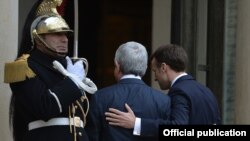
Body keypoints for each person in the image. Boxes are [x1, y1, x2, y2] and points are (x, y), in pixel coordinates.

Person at [4, 1, 97, 141]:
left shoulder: (69, 67)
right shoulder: (24, 67)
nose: (65, 40)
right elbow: (45, 108)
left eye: (66, 34)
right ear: (39, 39)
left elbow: (85, 118)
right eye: (57, 34)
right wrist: (73, 81)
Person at [105, 44, 221, 137]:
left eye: (155, 71)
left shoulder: (179, 91)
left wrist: (136, 123)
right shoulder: (206, 91)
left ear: (164, 67)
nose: (155, 78)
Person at [85, 41, 171, 141]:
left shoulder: (100, 97)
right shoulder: (163, 101)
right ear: (145, 67)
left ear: (117, 65)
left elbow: (92, 137)